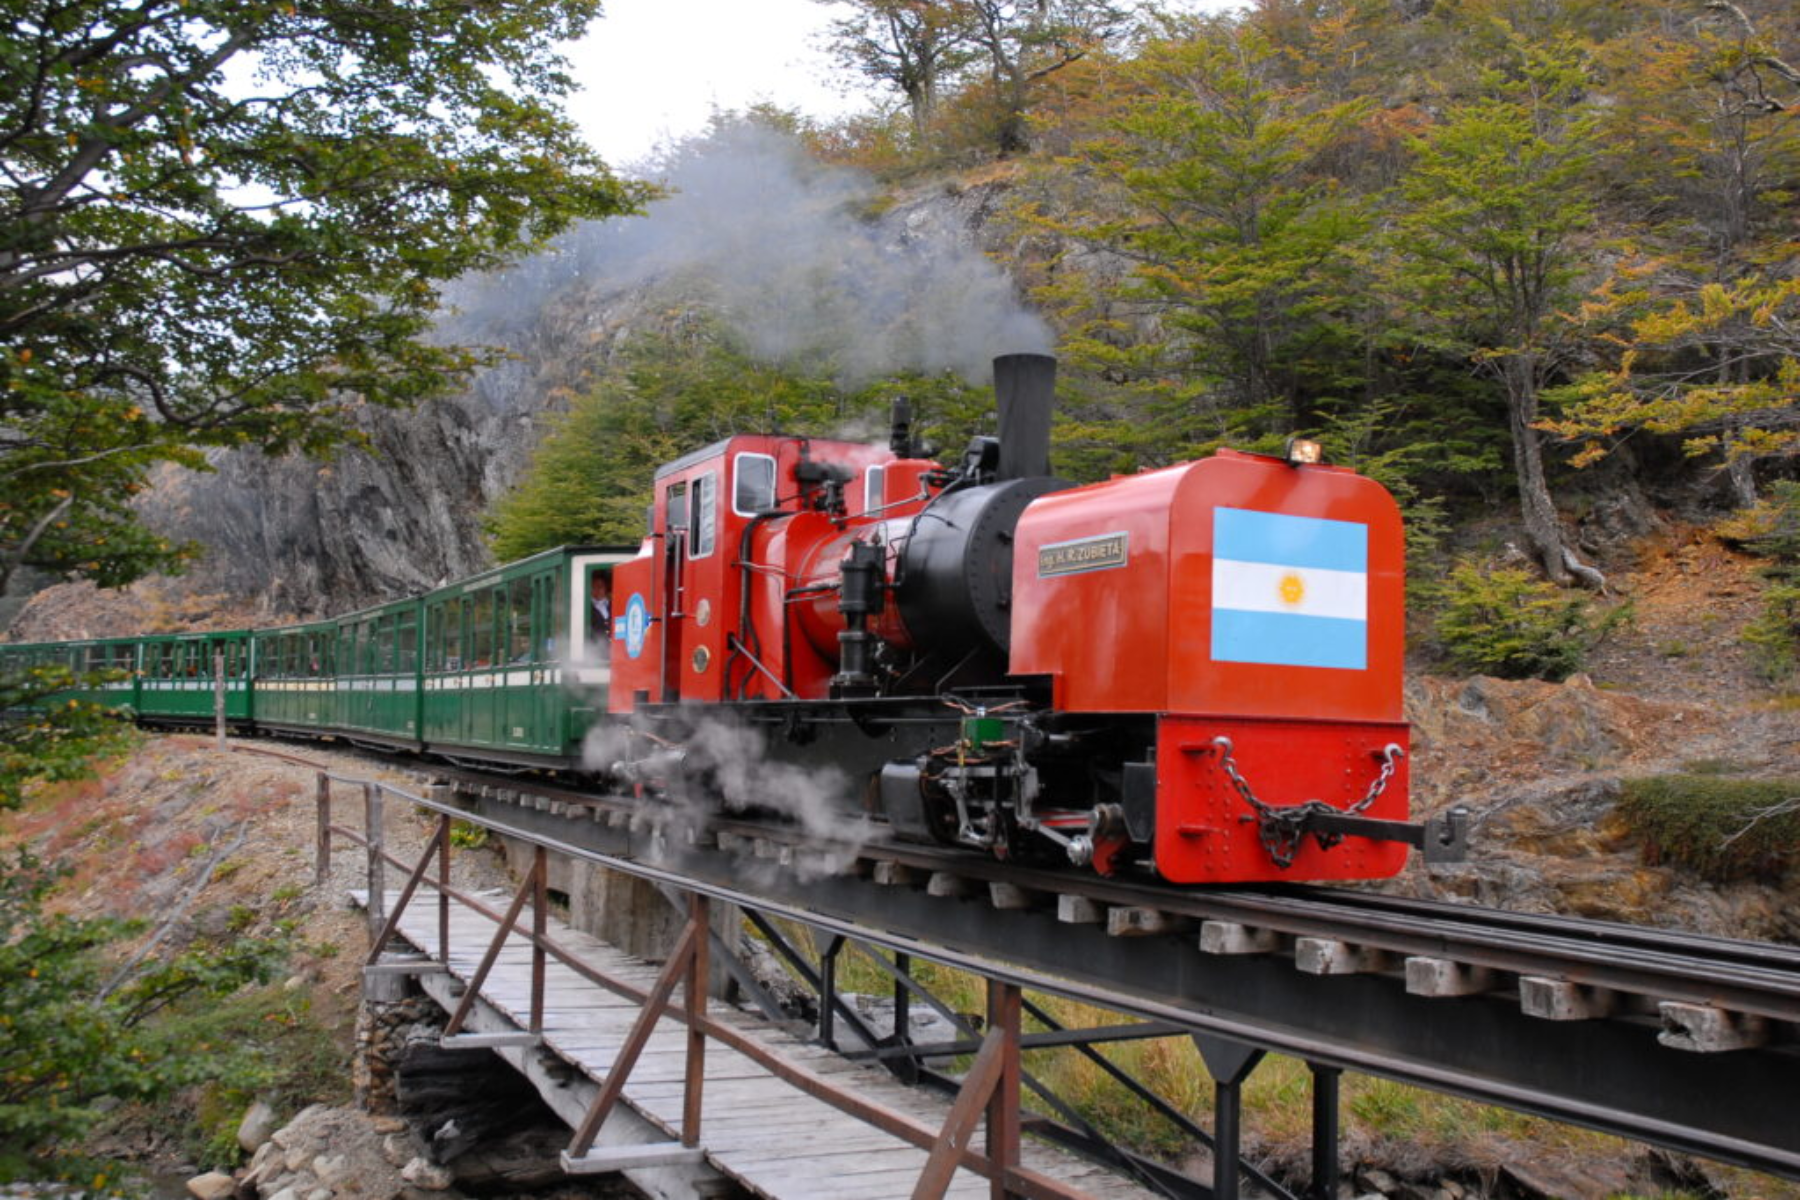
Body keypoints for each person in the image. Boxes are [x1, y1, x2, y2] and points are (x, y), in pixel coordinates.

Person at [589, 572, 612, 660]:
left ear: (605, 588)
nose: (597, 590)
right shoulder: (587, 606)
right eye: (594, 587)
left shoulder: (614, 605)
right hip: (595, 656)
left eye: (600, 586)